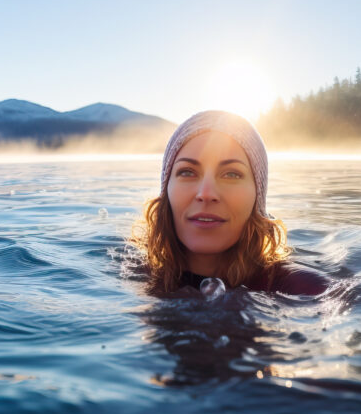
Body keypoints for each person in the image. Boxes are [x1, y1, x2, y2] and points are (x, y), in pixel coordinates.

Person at [132, 110, 328, 296]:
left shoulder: (304, 289)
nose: (206, 194)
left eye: (231, 174)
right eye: (187, 172)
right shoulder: (135, 276)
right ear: (166, 190)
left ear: (257, 197)